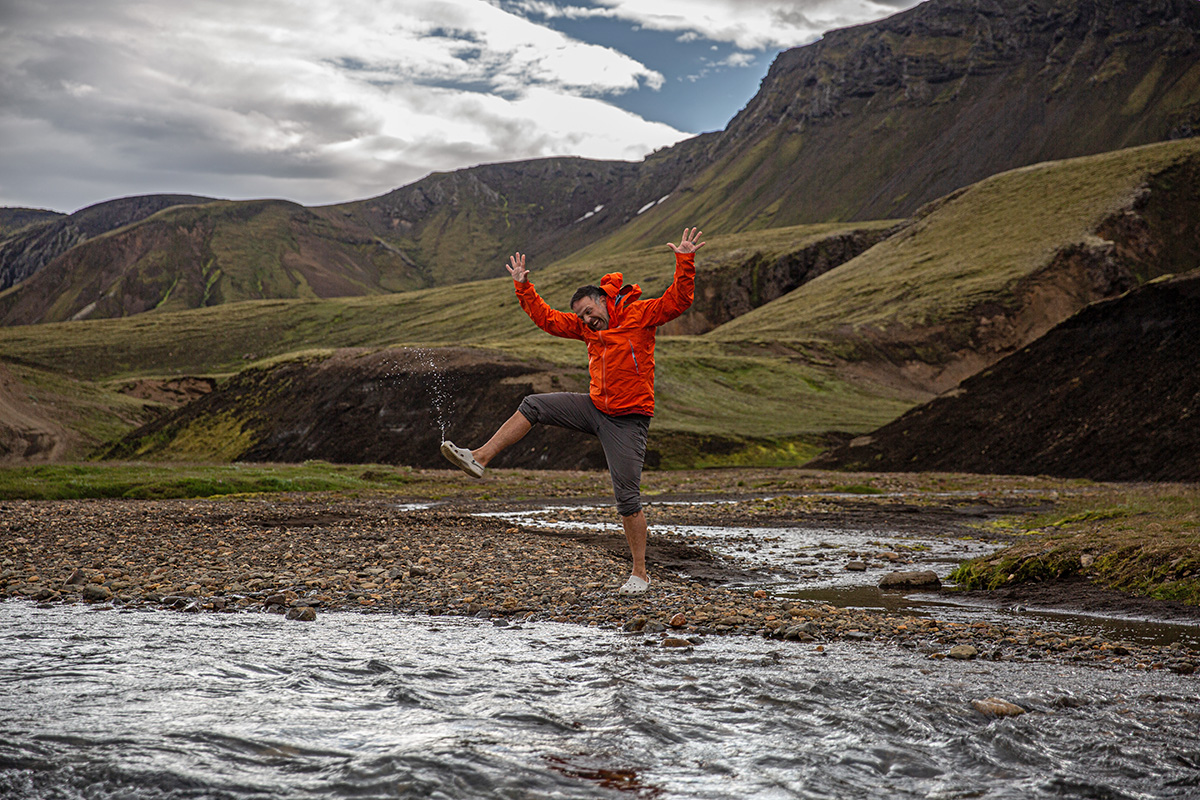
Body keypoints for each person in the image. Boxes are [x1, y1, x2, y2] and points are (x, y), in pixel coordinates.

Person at [440, 227, 706, 594]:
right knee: (533, 404)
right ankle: (479, 458)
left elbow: (679, 300)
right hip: (593, 407)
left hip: (628, 421)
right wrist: (523, 287)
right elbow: (548, 319)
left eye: (588, 311)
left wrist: (685, 260)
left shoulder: (639, 315)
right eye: (580, 316)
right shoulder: (586, 330)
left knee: (627, 498)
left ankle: (640, 574)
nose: (585, 319)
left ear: (603, 300)